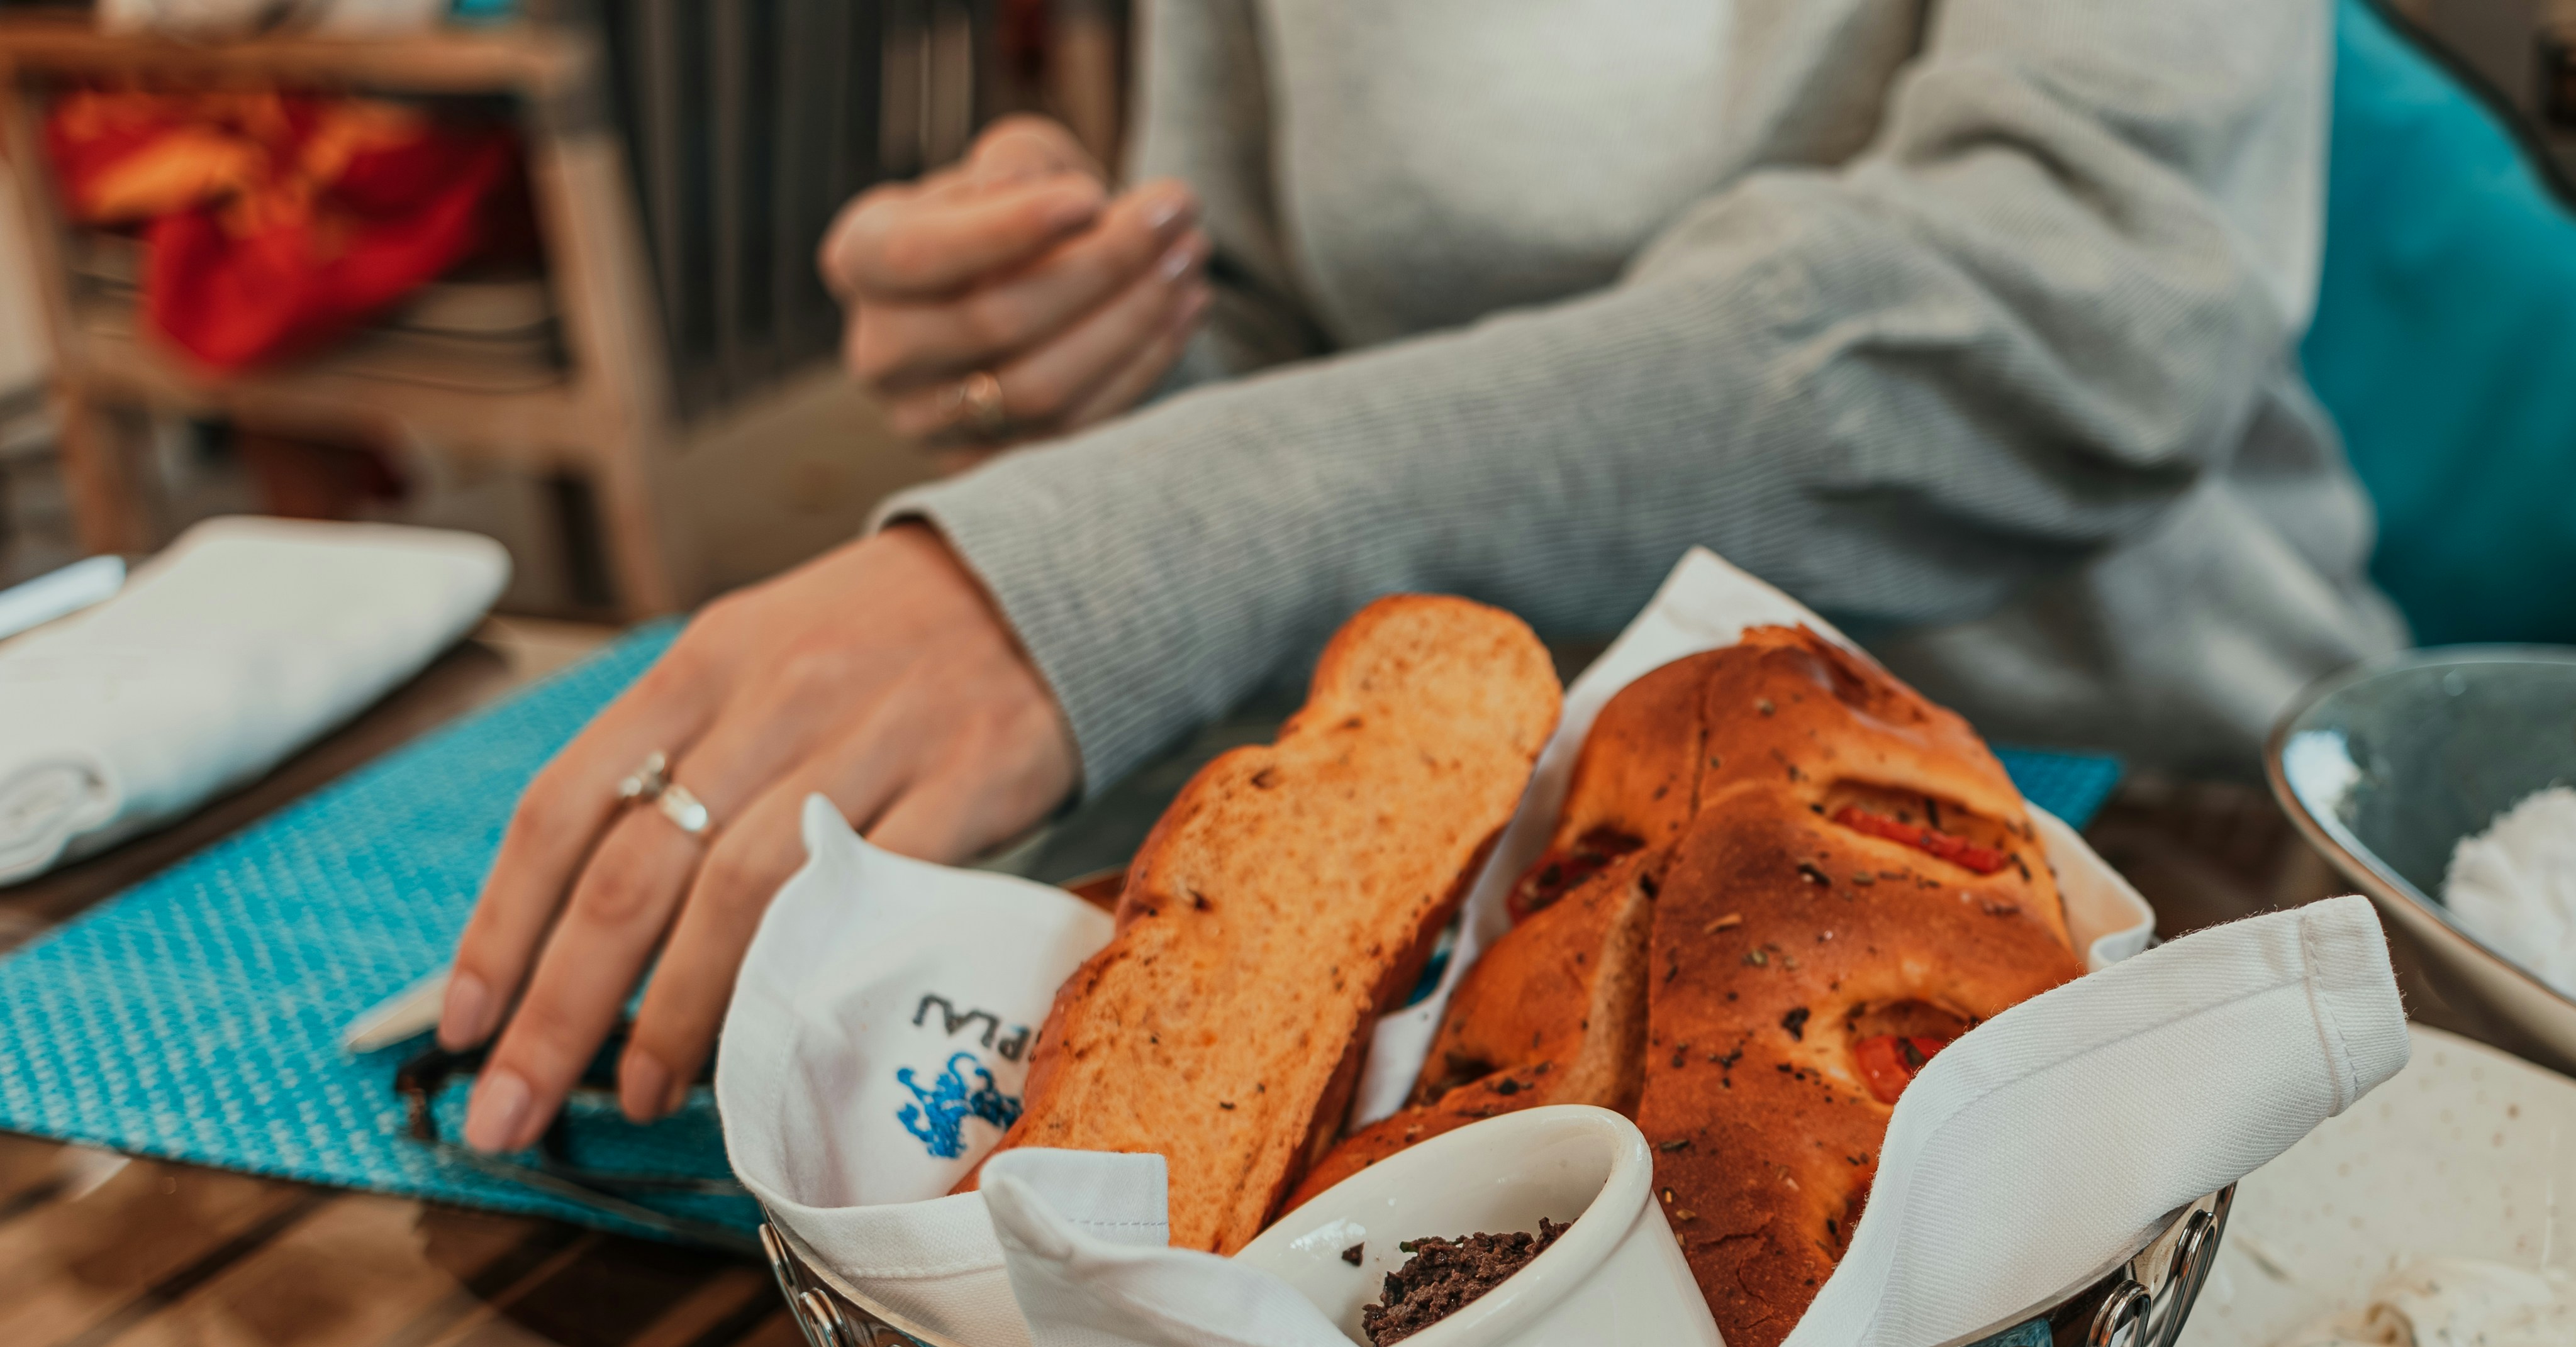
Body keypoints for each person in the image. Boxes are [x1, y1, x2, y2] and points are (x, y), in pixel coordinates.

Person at [440, 0, 2401, 1154]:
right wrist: (1084, 337)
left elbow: (2068, 310)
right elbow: (1291, 366)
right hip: (1501, 895)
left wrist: (1114, 547)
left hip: (2147, 848)